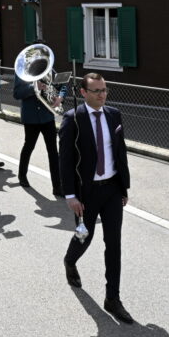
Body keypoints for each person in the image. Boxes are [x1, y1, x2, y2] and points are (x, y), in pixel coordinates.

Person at [60, 73, 133, 324]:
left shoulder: (114, 115)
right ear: (83, 93)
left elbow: (120, 153)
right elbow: (65, 161)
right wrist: (70, 195)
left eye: (104, 90)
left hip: (112, 189)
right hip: (86, 192)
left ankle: (112, 298)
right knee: (84, 235)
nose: (101, 95)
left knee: (114, 244)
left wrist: (124, 188)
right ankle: (70, 261)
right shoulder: (73, 120)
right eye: (96, 91)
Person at [13, 65, 64, 196]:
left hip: (47, 116)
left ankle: (57, 186)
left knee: (53, 151)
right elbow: (17, 94)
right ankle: (22, 175)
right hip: (31, 118)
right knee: (29, 146)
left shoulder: (48, 69)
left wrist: (60, 97)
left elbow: (62, 85)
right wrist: (34, 87)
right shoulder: (22, 73)